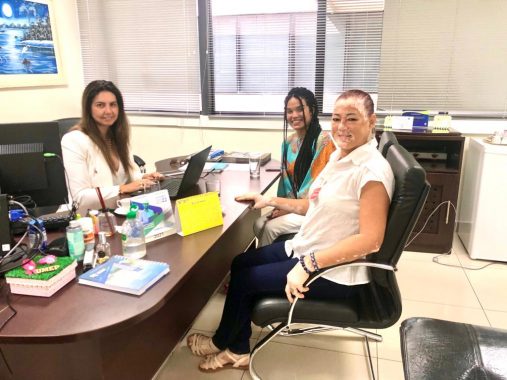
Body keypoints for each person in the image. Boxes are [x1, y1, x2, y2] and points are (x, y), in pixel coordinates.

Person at [186, 89, 395, 372]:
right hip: (308, 246)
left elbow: (371, 240)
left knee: (246, 280)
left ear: (371, 121)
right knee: (240, 262)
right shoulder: (342, 157)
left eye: (352, 119)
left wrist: (309, 265)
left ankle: (231, 347)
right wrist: (269, 200)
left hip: (335, 271)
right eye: (336, 118)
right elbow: (313, 204)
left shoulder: (370, 171)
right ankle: (235, 344)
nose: (341, 127)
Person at [61, 80, 163, 214]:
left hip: (120, 210)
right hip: (90, 218)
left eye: (113, 105)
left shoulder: (117, 135)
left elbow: (123, 177)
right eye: (100, 105)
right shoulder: (74, 140)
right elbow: (79, 197)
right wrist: (121, 189)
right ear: (88, 108)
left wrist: (143, 178)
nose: (108, 111)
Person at [254, 87, 335, 247]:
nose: (294, 115)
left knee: (270, 228)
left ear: (312, 110)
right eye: (289, 111)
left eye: (299, 109)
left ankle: (264, 267)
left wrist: (289, 208)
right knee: (257, 224)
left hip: (315, 208)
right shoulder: (288, 142)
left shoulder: (323, 141)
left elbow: (314, 190)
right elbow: (285, 184)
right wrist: (279, 205)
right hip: (294, 204)